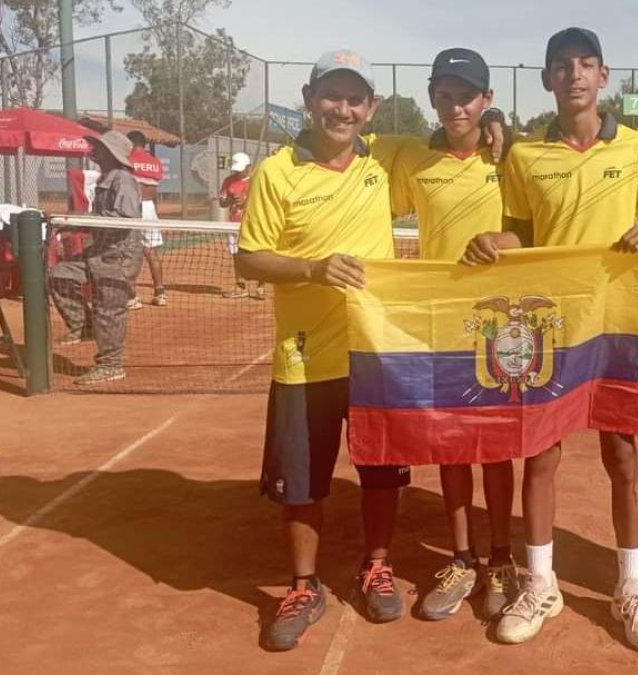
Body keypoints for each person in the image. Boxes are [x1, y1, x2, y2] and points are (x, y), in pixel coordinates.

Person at [463, 26, 638, 651]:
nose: (575, 75)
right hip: (551, 324)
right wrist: (498, 242)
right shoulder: (524, 157)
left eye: (586, 65)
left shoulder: (637, 149)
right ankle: (542, 582)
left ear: (604, 77)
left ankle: (631, 586)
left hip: (618, 323)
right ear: (547, 79)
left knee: (623, 455)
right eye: (562, 66)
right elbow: (524, 234)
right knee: (541, 453)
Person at [233, 49, 412, 652]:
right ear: (309, 99)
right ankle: (304, 587)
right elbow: (247, 256)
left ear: (371, 108)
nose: (342, 108)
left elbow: (453, 155)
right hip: (305, 357)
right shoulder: (276, 172)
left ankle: (376, 567)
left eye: (354, 98)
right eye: (331, 96)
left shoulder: (385, 160)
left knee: (381, 472)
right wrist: (313, 268)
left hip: (376, 354)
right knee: (305, 482)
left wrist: (495, 136)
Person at [387, 48, 519, 622]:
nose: (456, 104)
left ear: (487, 100)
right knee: (452, 447)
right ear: (432, 96)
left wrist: (501, 241)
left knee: (496, 448)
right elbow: (366, 182)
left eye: (468, 94)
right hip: (441, 327)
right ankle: (461, 559)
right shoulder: (412, 160)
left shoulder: (512, 157)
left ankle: (501, 559)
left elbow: (533, 228)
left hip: (500, 327)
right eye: (445, 92)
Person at [51, 130, 144, 385]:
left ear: (112, 154)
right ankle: (85, 326)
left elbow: (125, 220)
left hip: (119, 255)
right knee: (59, 275)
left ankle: (111, 365)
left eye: (100, 148)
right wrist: (74, 223)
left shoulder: (123, 180)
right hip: (100, 250)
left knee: (109, 309)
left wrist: (83, 221)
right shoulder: (107, 177)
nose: (94, 151)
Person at [125, 130, 168, 308]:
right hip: (150, 208)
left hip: (131, 208)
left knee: (128, 253)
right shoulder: (155, 162)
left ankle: (131, 297)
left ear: (131, 143)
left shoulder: (126, 160)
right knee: (151, 252)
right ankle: (160, 293)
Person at [219, 152, 265, 299]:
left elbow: (264, 202)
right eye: (236, 170)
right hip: (234, 224)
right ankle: (241, 287)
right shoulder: (228, 181)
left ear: (249, 167)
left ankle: (260, 287)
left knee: (258, 254)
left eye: (241, 169)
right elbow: (222, 202)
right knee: (237, 255)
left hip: (254, 223)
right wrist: (231, 200)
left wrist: (246, 202)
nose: (238, 173)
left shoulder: (257, 180)